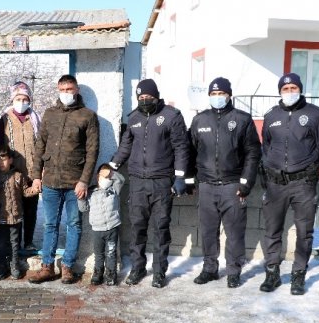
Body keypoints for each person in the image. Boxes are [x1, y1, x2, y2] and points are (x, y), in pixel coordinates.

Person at [111, 78, 189, 288]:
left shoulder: (171, 116)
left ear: (156, 95)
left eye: (148, 97)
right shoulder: (134, 117)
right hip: (137, 181)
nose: (145, 100)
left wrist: (180, 176)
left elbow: (181, 147)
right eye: (141, 97)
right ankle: (137, 268)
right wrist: (112, 166)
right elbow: (125, 147)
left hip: (162, 181)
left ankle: (159, 271)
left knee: (161, 228)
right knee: (137, 228)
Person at [259, 73, 319, 295]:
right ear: (280, 91)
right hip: (275, 183)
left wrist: (312, 169)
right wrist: (269, 168)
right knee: (272, 230)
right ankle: (272, 273)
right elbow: (266, 146)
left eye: (293, 87)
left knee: (304, 232)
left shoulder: (315, 114)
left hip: (303, 183)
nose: (289, 91)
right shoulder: (271, 115)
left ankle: (298, 275)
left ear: (300, 89)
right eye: (285, 88)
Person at [186, 78, 261, 289]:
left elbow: (253, 153)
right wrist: (190, 180)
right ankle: (210, 268)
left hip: (232, 185)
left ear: (229, 95)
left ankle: (233, 271)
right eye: (214, 94)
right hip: (207, 185)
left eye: (221, 94)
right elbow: (189, 152)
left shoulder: (242, 119)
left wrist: (246, 183)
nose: (217, 97)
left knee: (235, 232)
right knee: (208, 231)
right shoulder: (199, 120)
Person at [29, 74, 100, 285]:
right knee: (50, 224)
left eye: (70, 89)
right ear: (58, 90)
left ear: (76, 90)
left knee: (74, 224)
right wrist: (35, 176)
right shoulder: (50, 114)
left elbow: (92, 151)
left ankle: (68, 266)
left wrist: (84, 180)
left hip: (74, 182)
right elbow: (39, 146)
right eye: (62, 89)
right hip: (50, 179)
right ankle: (47, 266)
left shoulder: (87, 116)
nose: (66, 93)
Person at [0, 81, 42, 252]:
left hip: (31, 174)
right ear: (13, 99)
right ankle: (14, 247)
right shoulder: (4, 121)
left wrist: (39, 173)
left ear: (29, 100)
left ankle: (28, 241)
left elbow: (42, 146)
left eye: (25, 99)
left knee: (31, 210)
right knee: (14, 210)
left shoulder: (35, 119)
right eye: (18, 98)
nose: (21, 102)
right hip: (12, 174)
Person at [0, 144, 39, 280]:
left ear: (10, 160)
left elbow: (25, 192)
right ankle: (1, 266)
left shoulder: (18, 176)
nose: (0, 163)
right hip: (1, 217)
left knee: (15, 242)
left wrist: (35, 189)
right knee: (2, 243)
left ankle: (14, 265)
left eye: (3, 159)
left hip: (16, 216)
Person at [78, 164, 125, 286]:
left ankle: (111, 274)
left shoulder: (114, 189)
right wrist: (81, 197)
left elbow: (121, 179)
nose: (105, 179)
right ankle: (98, 273)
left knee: (111, 253)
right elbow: (83, 208)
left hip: (112, 228)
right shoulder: (91, 192)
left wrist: (110, 174)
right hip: (97, 230)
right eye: (103, 176)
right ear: (97, 176)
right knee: (99, 254)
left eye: (108, 177)